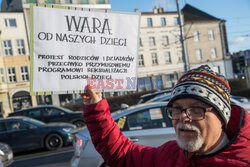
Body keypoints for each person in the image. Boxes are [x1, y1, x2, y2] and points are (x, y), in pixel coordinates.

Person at [81, 65, 250, 167]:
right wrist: (95, 107)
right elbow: (124, 156)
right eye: (177, 109)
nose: (183, 117)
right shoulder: (171, 154)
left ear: (222, 117)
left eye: (196, 109)